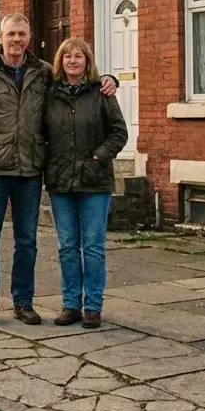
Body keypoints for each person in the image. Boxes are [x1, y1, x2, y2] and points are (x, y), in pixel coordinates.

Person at [0, 13, 116, 328]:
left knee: (27, 241)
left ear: (30, 37)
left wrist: (110, 79)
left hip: (30, 171)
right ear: (0, 35)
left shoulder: (44, 73)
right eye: (11, 33)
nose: (16, 39)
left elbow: (78, 84)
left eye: (22, 34)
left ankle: (23, 302)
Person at [42, 36, 128, 329]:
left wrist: (97, 158)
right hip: (60, 181)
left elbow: (119, 133)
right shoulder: (49, 94)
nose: (73, 61)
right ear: (60, 61)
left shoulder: (102, 93)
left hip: (95, 181)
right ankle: (70, 305)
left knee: (93, 246)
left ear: (87, 61)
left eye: (79, 56)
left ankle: (92, 306)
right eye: (67, 56)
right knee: (67, 245)